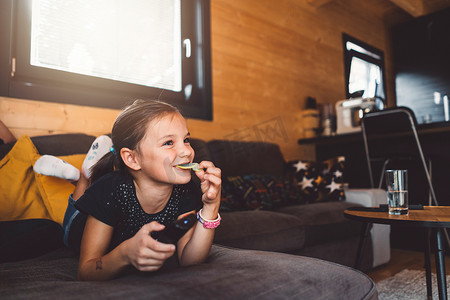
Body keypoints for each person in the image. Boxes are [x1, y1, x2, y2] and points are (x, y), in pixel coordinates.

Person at [34, 99, 222, 281]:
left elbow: (189, 260)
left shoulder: (186, 190)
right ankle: (84, 177)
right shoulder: (110, 190)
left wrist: (210, 207)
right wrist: (123, 255)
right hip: (78, 227)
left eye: (186, 139)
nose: (187, 151)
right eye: (169, 143)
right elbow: (86, 271)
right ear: (132, 159)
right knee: (69, 225)